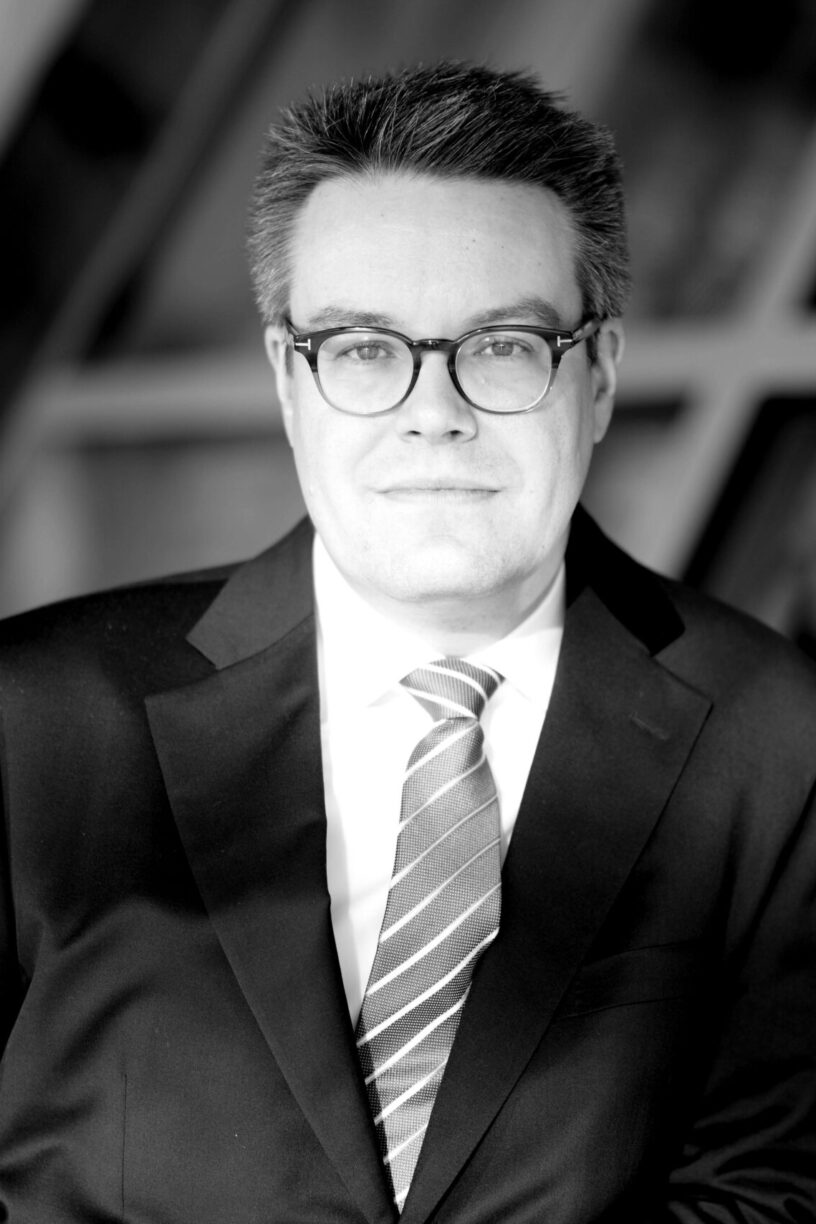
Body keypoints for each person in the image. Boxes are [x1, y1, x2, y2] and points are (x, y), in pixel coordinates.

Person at [0, 60, 814, 1224]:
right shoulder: (32, 726)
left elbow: (767, 1192)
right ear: (290, 384)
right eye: (366, 350)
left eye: (503, 345)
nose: (435, 412)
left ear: (598, 378)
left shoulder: (774, 741)